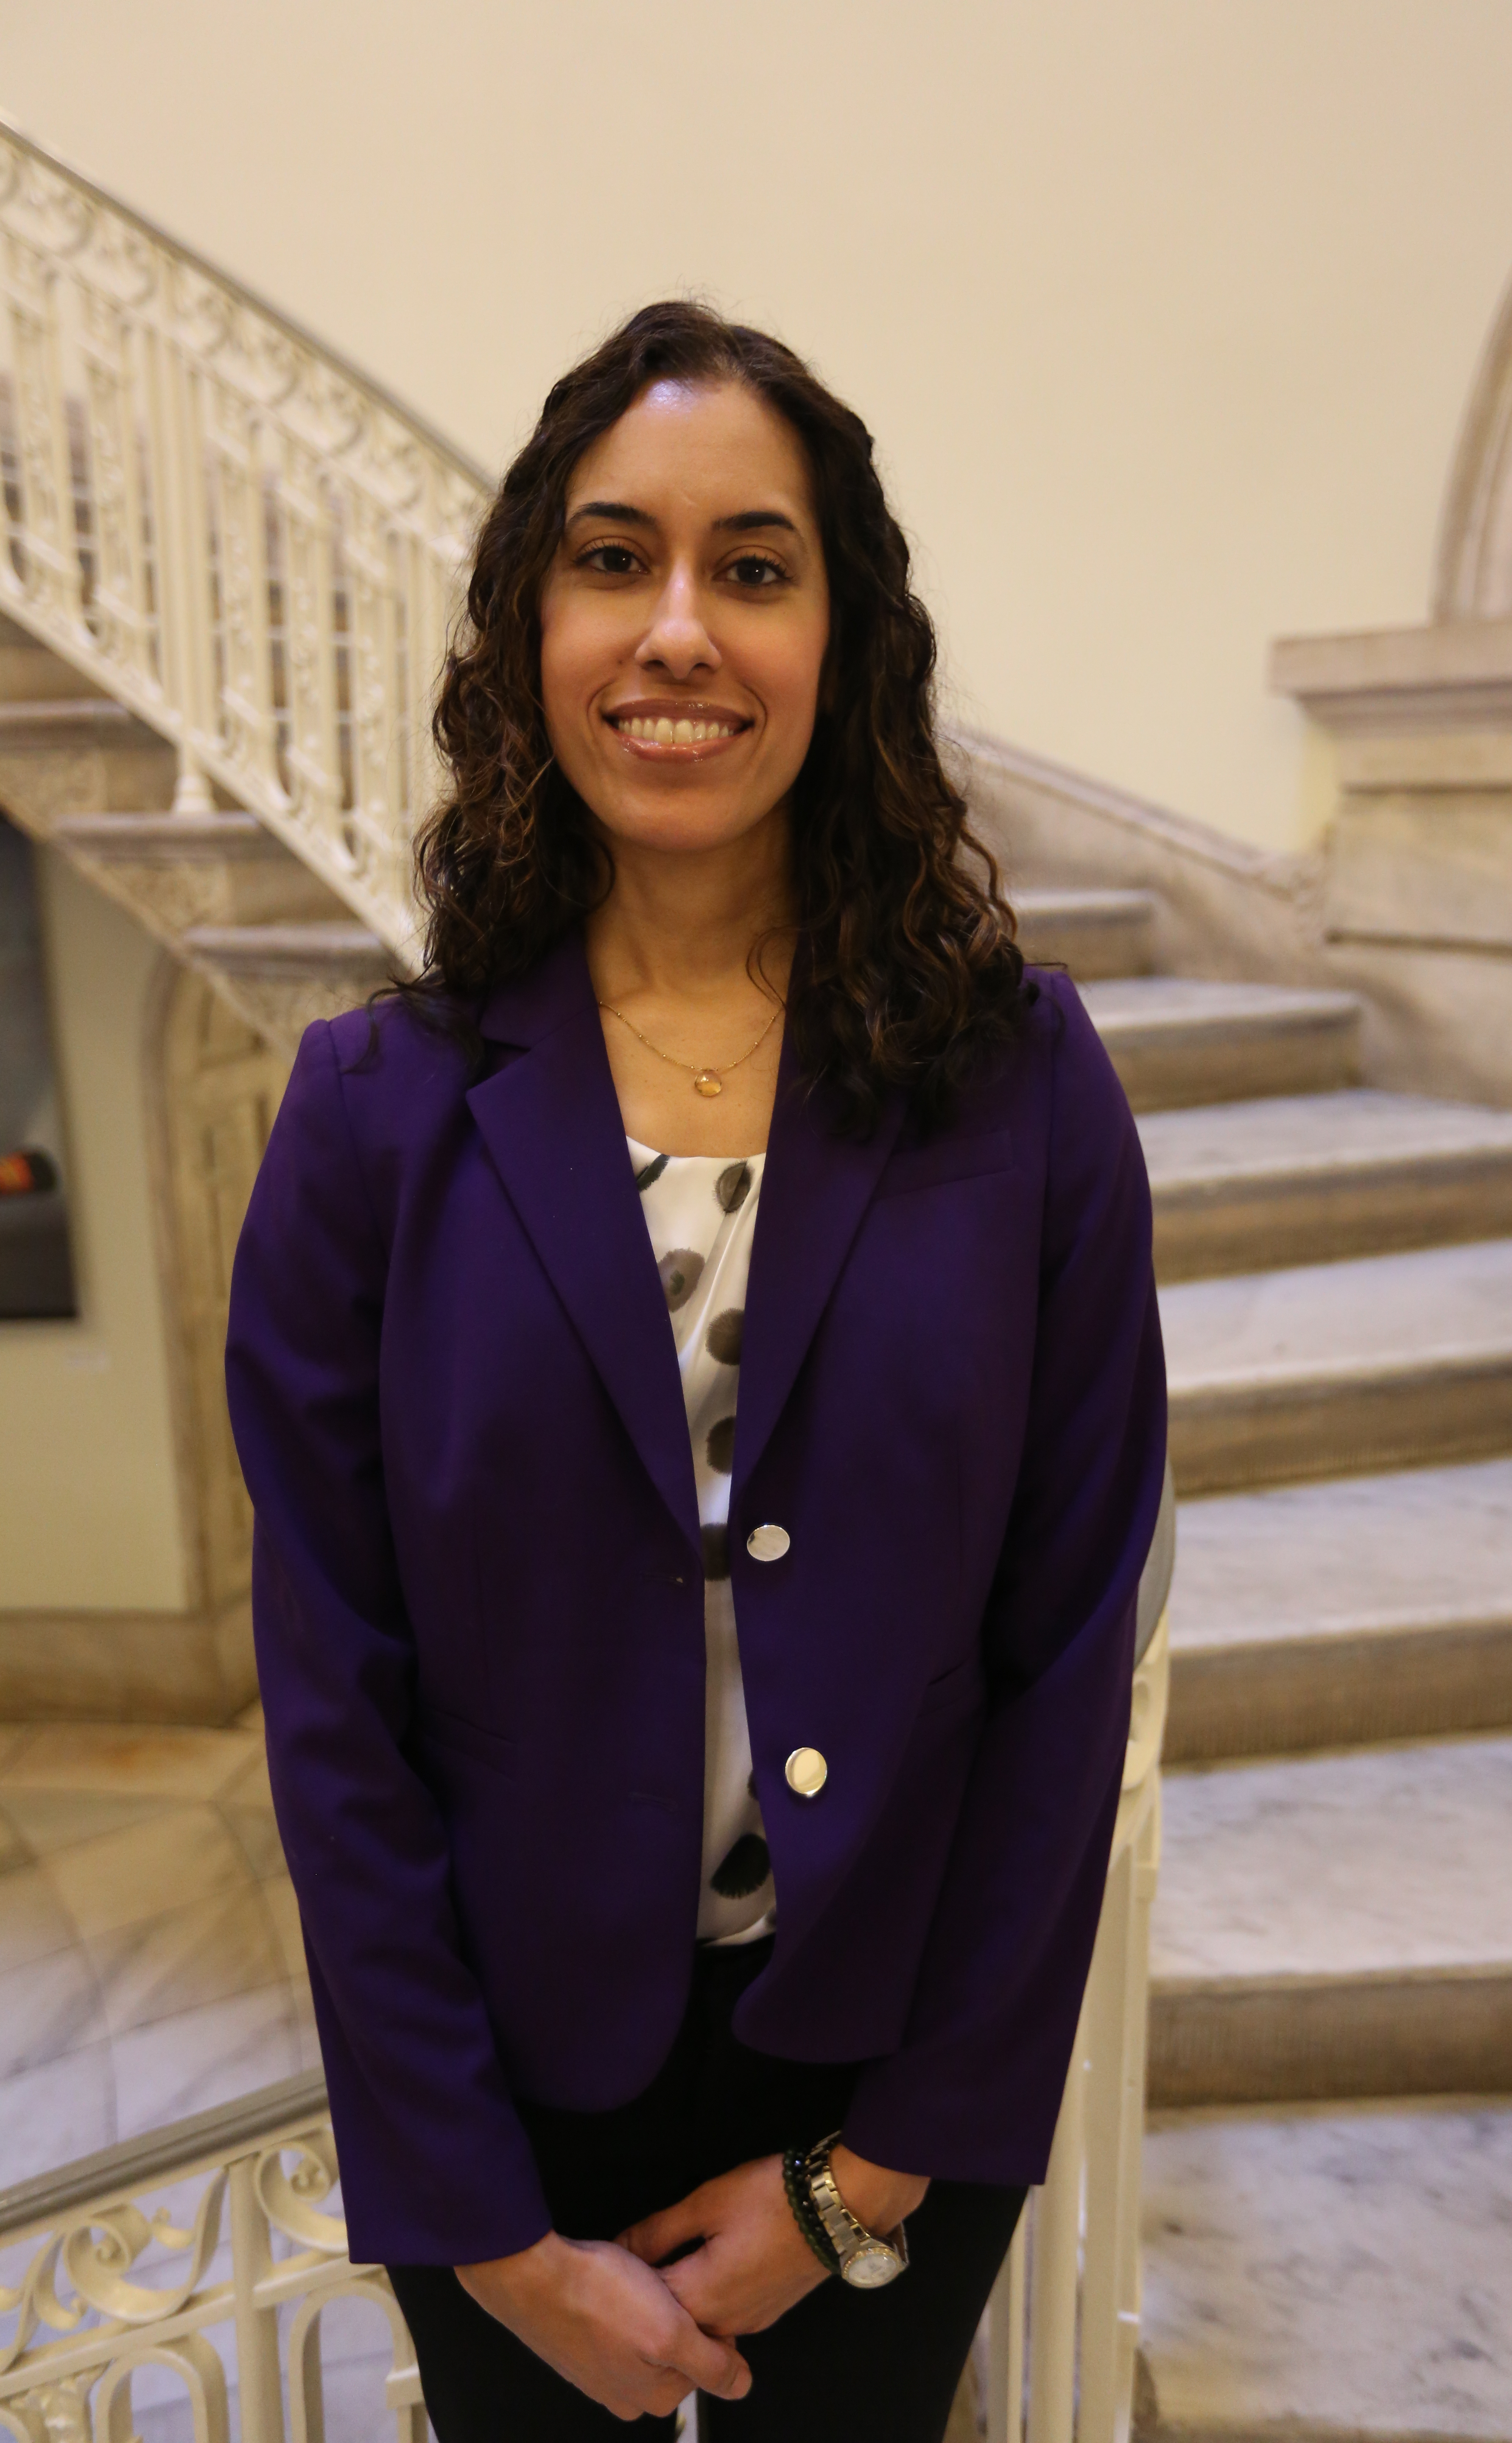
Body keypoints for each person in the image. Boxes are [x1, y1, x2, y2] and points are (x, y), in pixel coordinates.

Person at [225, 301, 1166, 2441]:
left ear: (844, 642)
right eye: (610, 557)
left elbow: (1061, 1662)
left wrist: (880, 2172)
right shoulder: (373, 1117)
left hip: (887, 2084)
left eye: (753, 567)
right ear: (528, 625)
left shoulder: (1021, 1089)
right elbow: (335, 1712)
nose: (678, 630)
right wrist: (475, 2223)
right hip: (503, 2108)